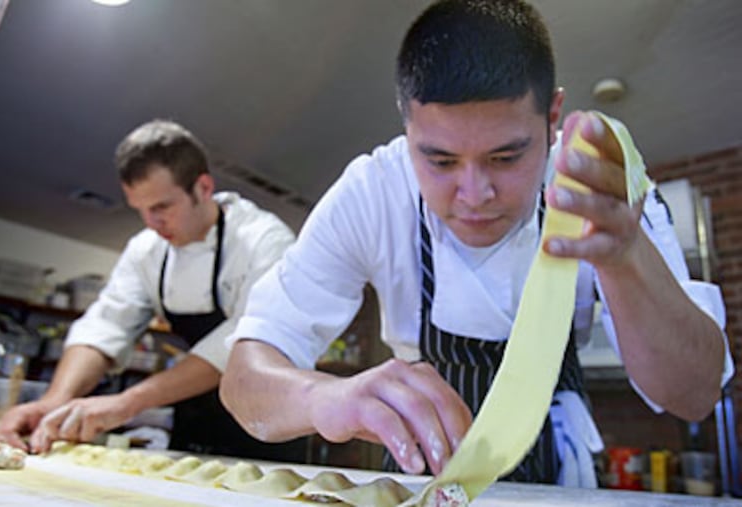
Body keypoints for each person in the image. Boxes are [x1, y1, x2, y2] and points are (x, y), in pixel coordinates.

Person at [219, 0, 733, 486]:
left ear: (553, 118)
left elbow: (695, 394)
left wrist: (626, 261)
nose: (474, 195)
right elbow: (244, 378)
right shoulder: (373, 192)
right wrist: (323, 400)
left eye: (506, 157)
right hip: (417, 468)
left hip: (557, 470)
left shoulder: (604, 191)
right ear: (407, 123)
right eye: (439, 161)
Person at [0, 119, 307, 462]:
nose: (151, 223)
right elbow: (106, 325)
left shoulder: (263, 239)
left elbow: (243, 341)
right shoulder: (146, 250)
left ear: (202, 187)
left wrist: (126, 403)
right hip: (193, 419)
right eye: (140, 210)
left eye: (161, 207)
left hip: (268, 423)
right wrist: (55, 401)